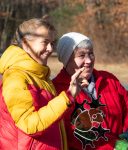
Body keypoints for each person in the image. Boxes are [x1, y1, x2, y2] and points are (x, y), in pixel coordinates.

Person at [0, 19, 88, 150]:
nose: (50, 49)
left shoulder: (41, 76)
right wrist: (67, 97)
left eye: (52, 43)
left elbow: (51, 119)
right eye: (45, 42)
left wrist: (73, 93)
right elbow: (29, 125)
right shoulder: (16, 78)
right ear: (25, 44)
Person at [52, 32, 128, 150]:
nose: (89, 60)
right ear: (67, 59)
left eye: (91, 54)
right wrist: (113, 147)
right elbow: (72, 136)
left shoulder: (109, 80)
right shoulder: (57, 90)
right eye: (81, 56)